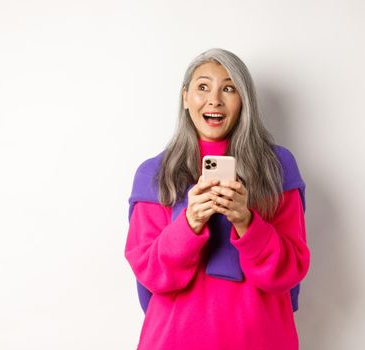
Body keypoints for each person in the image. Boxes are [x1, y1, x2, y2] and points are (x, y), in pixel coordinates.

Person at [125, 48, 310, 350]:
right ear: (185, 97)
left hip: (261, 340)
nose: (214, 100)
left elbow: (289, 271)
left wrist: (247, 222)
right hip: (175, 340)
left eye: (228, 88)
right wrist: (189, 223)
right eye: (202, 87)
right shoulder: (153, 173)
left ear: (244, 101)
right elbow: (150, 276)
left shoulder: (277, 166)